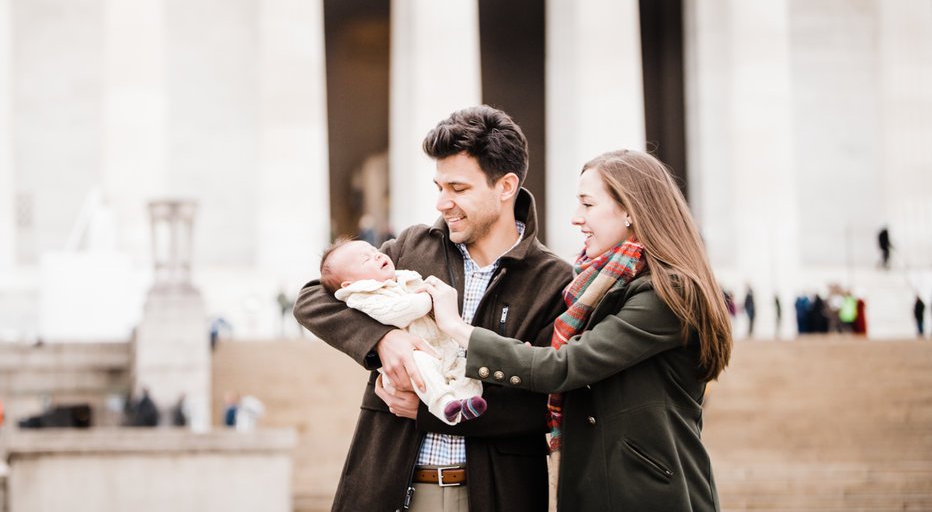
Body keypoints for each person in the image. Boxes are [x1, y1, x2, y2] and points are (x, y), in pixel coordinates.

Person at [294, 105, 572, 512]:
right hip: (388, 489)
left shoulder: (553, 280)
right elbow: (312, 296)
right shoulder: (410, 248)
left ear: (506, 186)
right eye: (439, 187)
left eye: (458, 189)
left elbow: (542, 406)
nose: (443, 203)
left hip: (495, 496)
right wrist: (384, 340)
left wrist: (429, 413)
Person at [426, 149, 733, 512]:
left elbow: (562, 367)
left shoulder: (667, 292)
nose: (575, 218)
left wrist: (457, 328)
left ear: (631, 210)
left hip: (648, 495)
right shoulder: (596, 286)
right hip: (600, 488)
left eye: (588, 204)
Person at [318, 240, 489, 423]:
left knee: (465, 367)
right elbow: (397, 313)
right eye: (365, 259)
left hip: (442, 348)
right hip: (414, 359)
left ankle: (466, 403)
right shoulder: (363, 296)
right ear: (348, 284)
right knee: (422, 364)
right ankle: (445, 404)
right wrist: (429, 297)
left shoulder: (402, 278)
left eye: (374, 250)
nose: (377, 255)